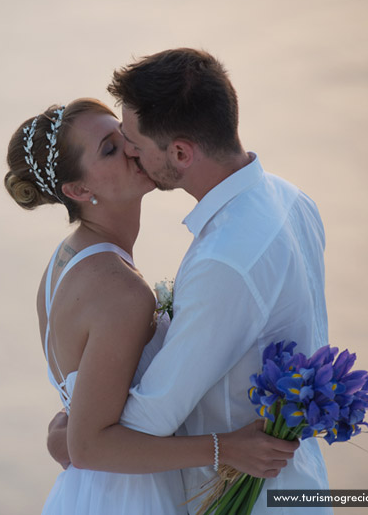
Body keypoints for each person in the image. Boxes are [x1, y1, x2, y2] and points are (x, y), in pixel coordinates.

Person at [47, 49, 333, 514]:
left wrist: (75, 433)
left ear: (179, 152)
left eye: (134, 141)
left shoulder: (225, 259)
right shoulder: (291, 198)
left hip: (255, 500)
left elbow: (149, 420)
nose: (130, 151)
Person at [5, 98, 299, 515]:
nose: (130, 148)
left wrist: (66, 428)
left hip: (90, 492)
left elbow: (85, 400)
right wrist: (228, 449)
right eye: (109, 148)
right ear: (79, 190)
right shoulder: (121, 292)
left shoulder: (64, 261)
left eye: (123, 135)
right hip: (129, 497)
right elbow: (88, 446)